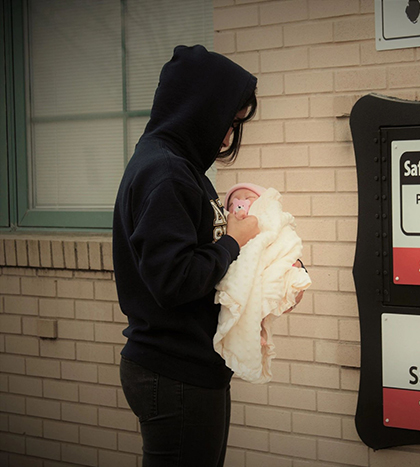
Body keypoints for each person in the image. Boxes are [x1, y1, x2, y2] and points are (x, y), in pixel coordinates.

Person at [112, 45, 259, 467]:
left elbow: (204, 264)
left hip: (188, 366)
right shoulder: (166, 171)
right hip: (175, 370)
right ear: (200, 108)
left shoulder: (178, 167)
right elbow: (174, 280)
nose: (228, 137)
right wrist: (232, 241)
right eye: (227, 122)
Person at [214, 182, 311, 383]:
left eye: (248, 198)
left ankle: (257, 330)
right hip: (244, 267)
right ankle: (251, 335)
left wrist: (292, 265)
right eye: (233, 201)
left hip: (265, 263)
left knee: (262, 295)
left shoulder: (267, 218)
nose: (240, 202)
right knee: (245, 297)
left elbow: (281, 238)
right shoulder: (230, 225)